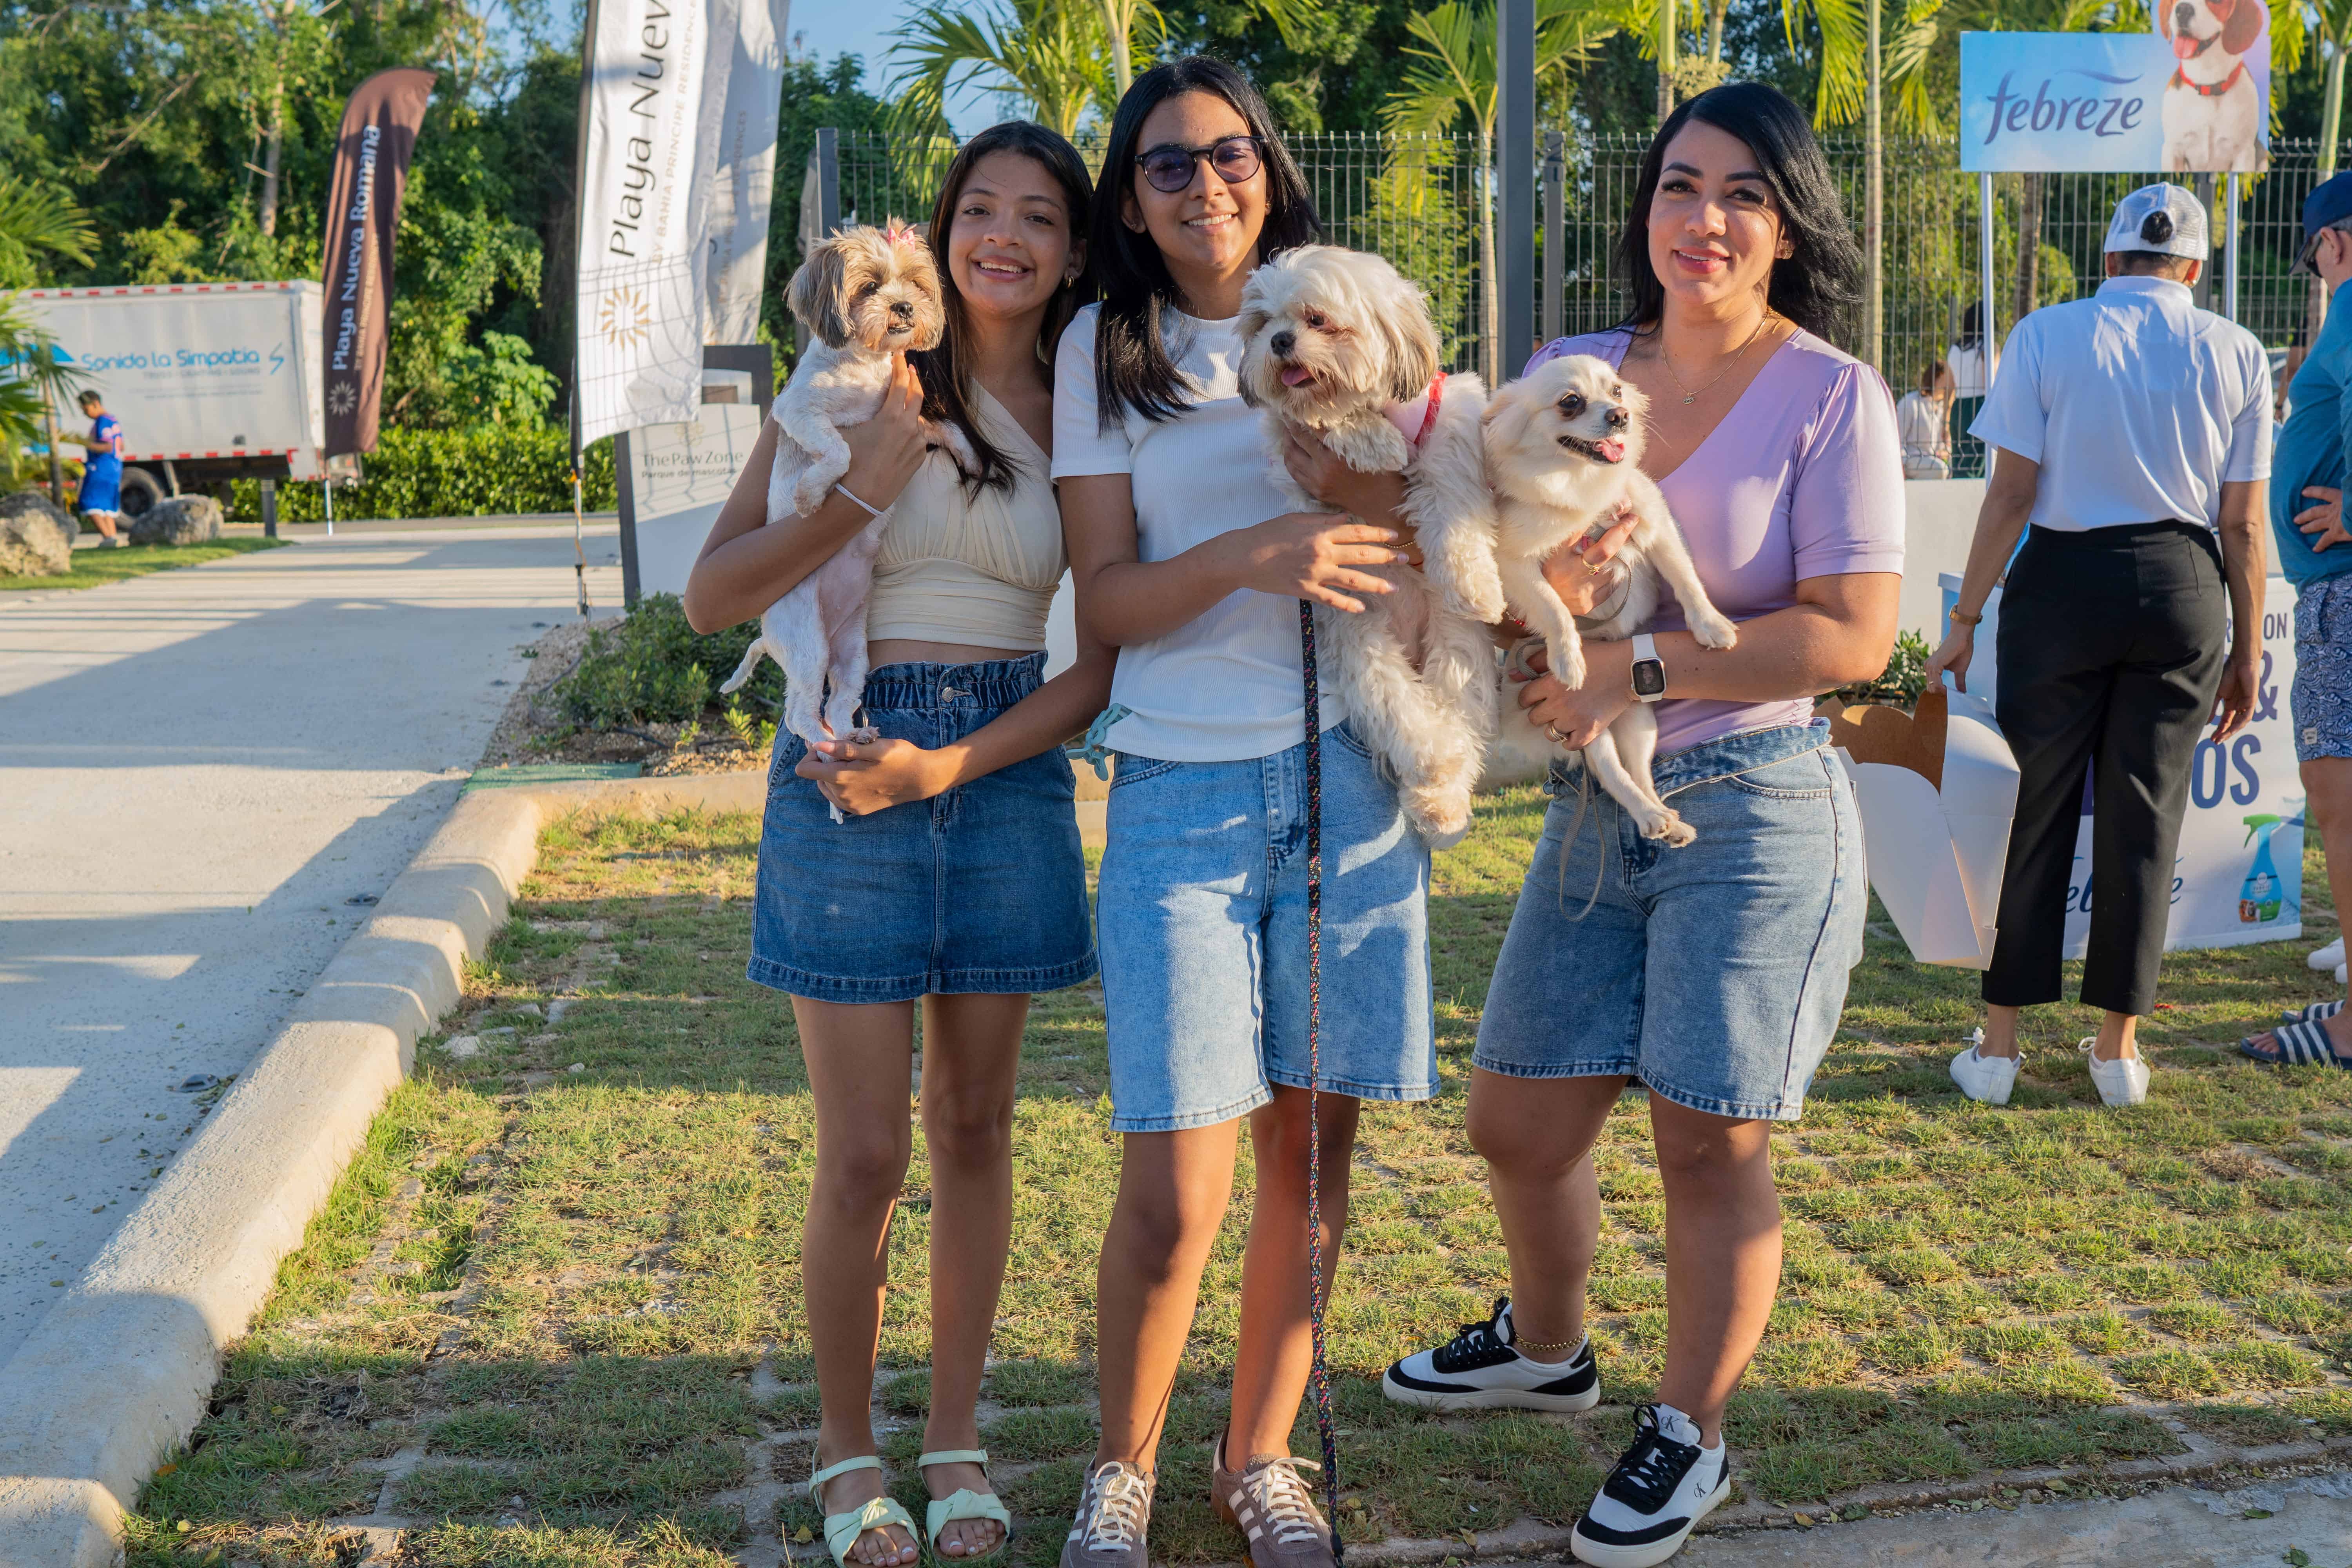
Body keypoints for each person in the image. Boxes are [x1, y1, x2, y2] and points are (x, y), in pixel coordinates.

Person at [1381, 82, 1900, 1568]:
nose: (1704, 219)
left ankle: (1690, 1425)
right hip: (1598, 799)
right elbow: (1457, 512)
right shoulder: (1567, 368)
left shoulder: (1831, 397)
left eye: (1743, 194)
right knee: (1516, 1117)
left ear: (1790, 226)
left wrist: (1632, 665)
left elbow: (1854, 636)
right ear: (1645, 207)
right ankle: (1547, 1345)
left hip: (1755, 797)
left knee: (1706, 1137)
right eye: (1679, 185)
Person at [681, 122, 1109, 1568]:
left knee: (976, 1130)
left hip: (999, 769)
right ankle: (850, 1445)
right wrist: (867, 476)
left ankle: (956, 1438)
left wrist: (953, 760)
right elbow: (708, 592)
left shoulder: (1091, 404)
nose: (1005, 237)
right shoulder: (848, 387)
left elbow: (1098, 661)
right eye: (978, 210)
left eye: (1038, 215)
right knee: (862, 1151)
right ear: (936, 237)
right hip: (842, 765)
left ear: (1068, 246)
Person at [1051, 57, 1446, 1568]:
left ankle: (1261, 1454)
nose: (1203, 183)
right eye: (1165, 166)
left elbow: (1438, 503)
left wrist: (1337, 520)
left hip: (1351, 767)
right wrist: (1254, 549)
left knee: (1313, 1157)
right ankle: (1122, 1467)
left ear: (1269, 168)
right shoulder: (1110, 348)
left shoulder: (1365, 308)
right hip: (1181, 788)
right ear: (1132, 205)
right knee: (1176, 1168)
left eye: (1227, 154)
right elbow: (1109, 600)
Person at [1930, 183, 2267, 1109]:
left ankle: (1997, 1047)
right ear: (2192, 270)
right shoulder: (2236, 348)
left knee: (2030, 808)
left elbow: (2008, 494)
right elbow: (2241, 525)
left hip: (2063, 585)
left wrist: (1964, 623)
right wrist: (2244, 645)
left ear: (2111, 260)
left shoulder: (2047, 332)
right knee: (2146, 815)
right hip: (2185, 586)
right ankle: (2117, 1052)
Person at [2240, 172, 2352, 1066]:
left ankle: (2351, 1027)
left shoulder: (2351, 306)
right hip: (2335, 594)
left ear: (2334, 243)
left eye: (2314, 248)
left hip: (2341, 596)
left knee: (2339, 801)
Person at [69, 390, 126, 545]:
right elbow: (121, 446)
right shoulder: (113, 420)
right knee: (105, 507)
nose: (85, 413)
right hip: (114, 467)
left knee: (89, 502)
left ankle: (108, 537)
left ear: (95, 404)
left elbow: (108, 446)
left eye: (86, 409)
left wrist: (85, 443)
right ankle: (112, 538)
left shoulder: (103, 421)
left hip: (101, 467)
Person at [1947, 302, 1994, 479]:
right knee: (1978, 463)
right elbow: (1991, 382)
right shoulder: (1987, 346)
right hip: (1980, 404)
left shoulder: (1954, 349)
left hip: (1958, 407)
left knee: (1960, 460)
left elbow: (1950, 387)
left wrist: (1946, 416)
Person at [1897, 358, 1954, 479]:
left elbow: (1947, 446)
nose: (1951, 385)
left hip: (1935, 461)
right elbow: (1898, 439)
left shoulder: (1945, 408)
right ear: (1937, 377)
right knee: (1941, 470)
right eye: (1948, 379)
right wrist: (1901, 466)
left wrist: (1946, 452)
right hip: (1912, 460)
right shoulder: (1910, 402)